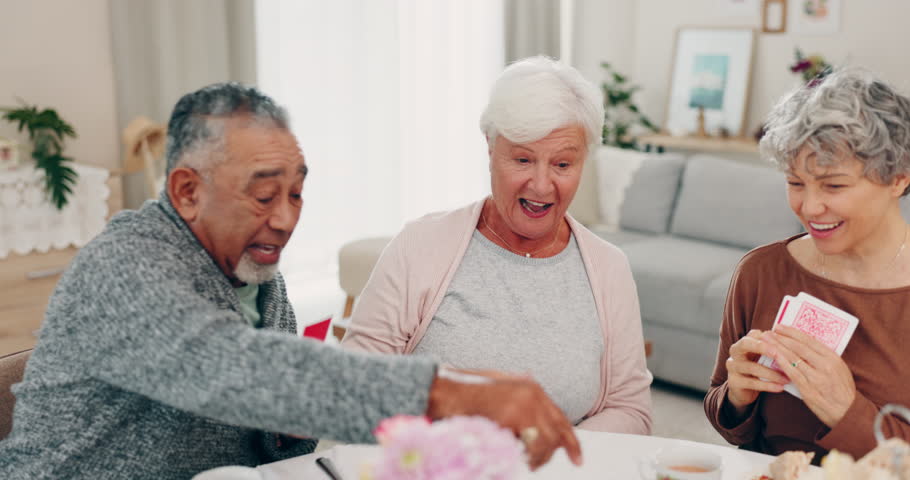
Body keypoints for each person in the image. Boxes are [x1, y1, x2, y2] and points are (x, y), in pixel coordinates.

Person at [0, 83, 581, 478]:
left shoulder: (257, 274)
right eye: (261, 195)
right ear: (186, 192)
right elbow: (233, 369)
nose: (284, 220)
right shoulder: (124, 267)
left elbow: (283, 434)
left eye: (296, 193)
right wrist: (449, 390)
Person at [341, 56, 653, 434]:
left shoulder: (609, 268)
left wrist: (552, 457)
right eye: (523, 159)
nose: (541, 185)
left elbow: (630, 409)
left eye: (562, 165)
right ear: (490, 148)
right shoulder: (420, 246)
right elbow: (353, 387)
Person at [704, 68, 910, 461]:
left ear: (898, 178)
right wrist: (737, 397)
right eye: (795, 182)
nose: (810, 207)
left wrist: (848, 414)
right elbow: (725, 417)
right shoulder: (760, 272)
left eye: (834, 185)